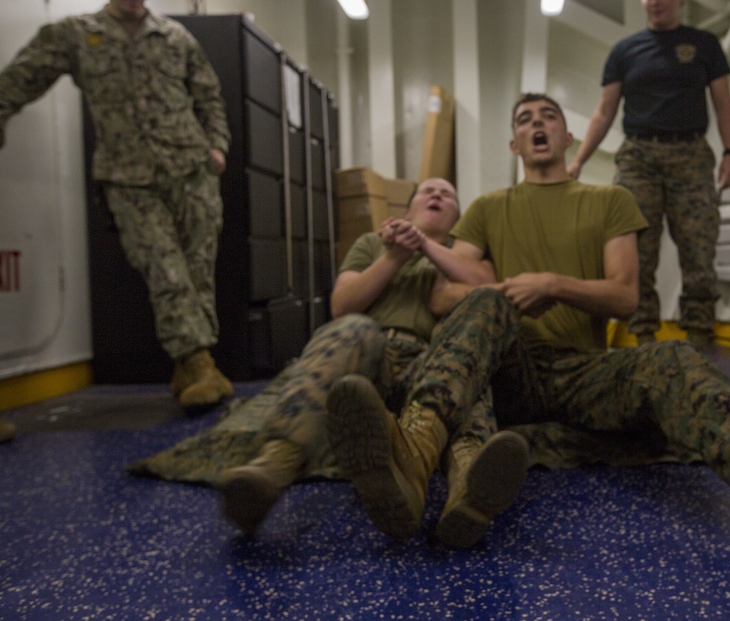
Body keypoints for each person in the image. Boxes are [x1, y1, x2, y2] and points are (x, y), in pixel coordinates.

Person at [327, 92, 730, 571]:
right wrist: (505, 290)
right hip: (507, 364)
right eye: (524, 120)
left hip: (579, 372)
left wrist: (554, 283)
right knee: (486, 308)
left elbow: (625, 296)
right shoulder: (489, 206)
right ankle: (412, 453)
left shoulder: (610, 201)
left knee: (669, 361)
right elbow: (445, 291)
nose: (537, 125)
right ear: (514, 142)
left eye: (548, 117)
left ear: (570, 136)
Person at [218, 178, 529, 547]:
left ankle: (468, 489)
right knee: (351, 328)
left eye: (448, 195)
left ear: (457, 218)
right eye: (428, 191)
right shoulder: (371, 244)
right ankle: (274, 467)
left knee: (467, 369)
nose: (437, 196)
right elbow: (342, 305)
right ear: (408, 209)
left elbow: (482, 287)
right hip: (371, 360)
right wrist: (395, 256)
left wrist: (425, 246)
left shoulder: (467, 256)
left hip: (434, 368)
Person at [0, 0, 233, 408]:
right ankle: (201, 363)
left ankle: (189, 369)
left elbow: (209, 95)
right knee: (164, 269)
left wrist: (217, 147)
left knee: (196, 275)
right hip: (127, 178)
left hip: (191, 173)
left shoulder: (175, 38)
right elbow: (23, 75)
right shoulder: (79, 35)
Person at [567, 0, 730, 349]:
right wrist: (578, 160)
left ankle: (698, 342)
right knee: (635, 253)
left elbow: (724, 103)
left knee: (699, 249)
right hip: (639, 158)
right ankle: (644, 340)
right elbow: (604, 111)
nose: (655, 1)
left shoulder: (703, 45)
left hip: (691, 156)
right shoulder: (625, 51)